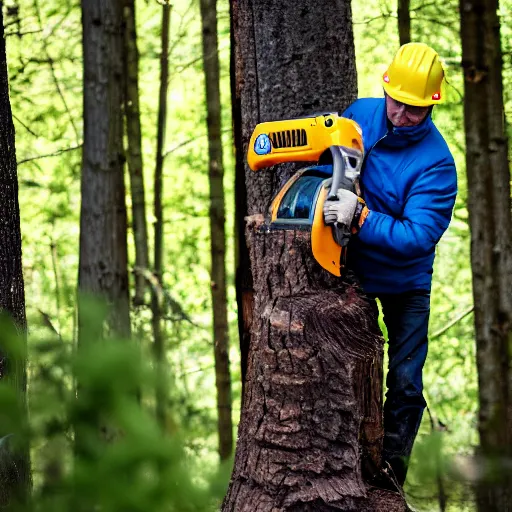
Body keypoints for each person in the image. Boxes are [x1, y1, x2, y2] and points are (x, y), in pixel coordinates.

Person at [323, 42, 458, 488]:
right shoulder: (359, 114)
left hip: (406, 283)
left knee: (404, 381)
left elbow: (417, 237)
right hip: (354, 269)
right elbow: (329, 160)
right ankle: (340, 459)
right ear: (385, 88)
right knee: (340, 362)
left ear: (431, 105)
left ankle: (392, 476)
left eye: (414, 109)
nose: (400, 114)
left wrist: (359, 216)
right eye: (396, 101)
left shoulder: (436, 166)